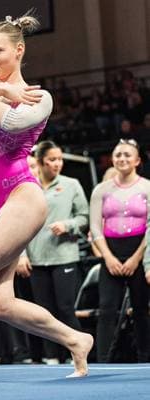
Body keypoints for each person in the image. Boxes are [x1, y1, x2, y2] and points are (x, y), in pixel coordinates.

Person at [0, 11, 93, 383]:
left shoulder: (39, 96)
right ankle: (76, 339)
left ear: (19, 50)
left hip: (21, 196)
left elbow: (11, 122)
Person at [18, 140, 89, 364]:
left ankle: (76, 352)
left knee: (65, 308)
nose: (57, 164)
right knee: (43, 312)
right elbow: (19, 223)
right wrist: (21, 254)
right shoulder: (28, 187)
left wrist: (67, 225)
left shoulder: (71, 185)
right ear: (40, 162)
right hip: (37, 260)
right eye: (51, 160)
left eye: (59, 159)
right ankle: (51, 357)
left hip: (64, 257)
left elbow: (85, 218)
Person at [90, 138, 150, 362]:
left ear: (137, 160)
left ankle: (145, 358)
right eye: (118, 155)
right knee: (106, 309)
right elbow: (95, 226)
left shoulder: (147, 187)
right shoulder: (101, 189)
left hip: (139, 250)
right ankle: (102, 360)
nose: (122, 158)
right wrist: (108, 257)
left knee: (141, 309)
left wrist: (137, 258)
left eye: (127, 155)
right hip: (111, 251)